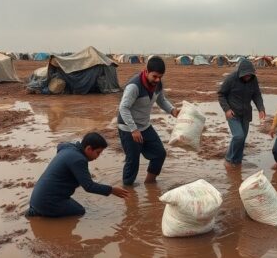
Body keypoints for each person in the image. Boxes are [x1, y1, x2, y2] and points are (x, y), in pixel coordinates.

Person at [26, 132, 129, 217]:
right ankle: (43, 215)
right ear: (89, 149)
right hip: (48, 201)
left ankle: (38, 211)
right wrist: (112, 190)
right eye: (98, 153)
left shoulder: (68, 148)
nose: (98, 157)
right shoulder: (78, 160)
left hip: (36, 198)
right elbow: (89, 186)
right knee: (79, 211)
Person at [117, 56, 179, 185]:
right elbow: (123, 108)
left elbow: (161, 100)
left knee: (159, 154)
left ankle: (150, 183)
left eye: (160, 77)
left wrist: (172, 110)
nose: (157, 80)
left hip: (144, 126)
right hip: (128, 128)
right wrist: (133, 130)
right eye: (155, 76)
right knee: (133, 160)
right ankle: (128, 191)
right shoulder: (134, 86)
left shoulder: (158, 84)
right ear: (146, 71)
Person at [217, 59, 266, 166]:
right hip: (233, 114)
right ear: (240, 72)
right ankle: (229, 159)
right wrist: (227, 109)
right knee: (238, 136)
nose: (248, 77)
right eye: (246, 75)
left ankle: (237, 161)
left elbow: (256, 95)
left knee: (242, 139)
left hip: (246, 114)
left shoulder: (253, 80)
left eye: (250, 75)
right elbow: (221, 94)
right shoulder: (231, 79)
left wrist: (261, 109)